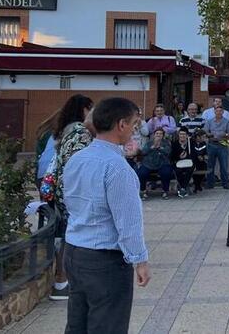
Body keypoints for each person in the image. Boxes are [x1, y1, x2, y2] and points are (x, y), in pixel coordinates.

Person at [61, 97, 150, 334]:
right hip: (104, 260)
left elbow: (68, 201)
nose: (134, 130)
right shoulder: (117, 168)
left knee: (77, 323)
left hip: (74, 252)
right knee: (107, 325)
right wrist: (139, 260)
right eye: (133, 124)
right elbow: (128, 222)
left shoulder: (76, 160)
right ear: (121, 125)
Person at [47, 95, 95, 301]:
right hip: (74, 194)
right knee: (71, 236)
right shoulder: (80, 132)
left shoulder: (65, 130)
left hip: (63, 191)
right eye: (91, 110)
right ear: (84, 110)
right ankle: (62, 281)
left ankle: (64, 279)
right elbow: (79, 165)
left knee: (68, 233)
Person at [136, 129, 173, 200]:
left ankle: (165, 191)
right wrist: (152, 147)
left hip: (162, 163)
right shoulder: (149, 143)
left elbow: (168, 152)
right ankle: (143, 191)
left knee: (166, 172)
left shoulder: (166, 143)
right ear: (154, 135)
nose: (158, 135)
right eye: (157, 133)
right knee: (142, 172)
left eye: (160, 134)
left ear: (163, 136)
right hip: (148, 163)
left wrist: (159, 148)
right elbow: (143, 152)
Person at [204, 105, 229, 190]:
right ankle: (210, 184)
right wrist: (210, 134)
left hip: (223, 143)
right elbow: (205, 131)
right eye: (217, 111)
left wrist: (225, 135)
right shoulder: (209, 121)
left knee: (224, 165)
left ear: (223, 112)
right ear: (214, 112)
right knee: (210, 165)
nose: (219, 112)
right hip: (211, 144)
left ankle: (225, 183)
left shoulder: (227, 122)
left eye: (220, 111)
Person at [171, 128, 196, 197]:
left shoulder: (191, 142)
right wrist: (179, 157)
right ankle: (183, 188)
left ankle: (182, 187)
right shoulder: (175, 143)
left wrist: (187, 156)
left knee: (189, 170)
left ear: (187, 135)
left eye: (184, 134)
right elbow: (172, 156)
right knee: (178, 171)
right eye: (180, 134)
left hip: (189, 162)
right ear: (178, 135)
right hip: (178, 162)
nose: (182, 136)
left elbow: (194, 154)